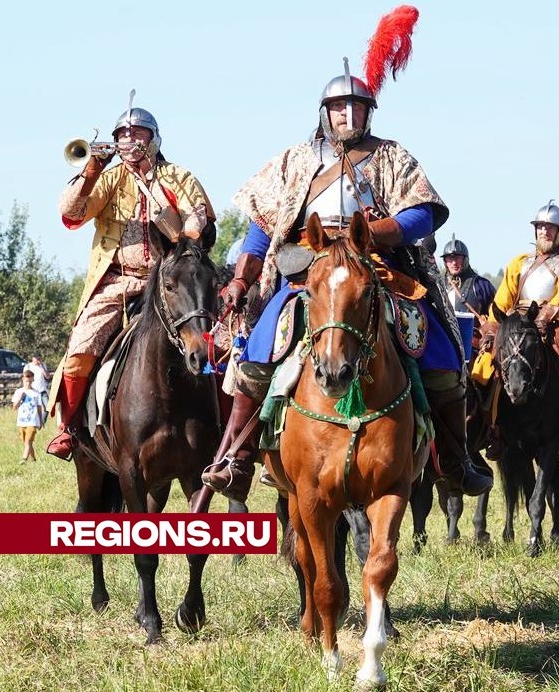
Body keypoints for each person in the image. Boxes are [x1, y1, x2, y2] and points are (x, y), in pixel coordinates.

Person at [201, 27, 493, 503]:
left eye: (355, 107)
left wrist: (378, 232)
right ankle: (236, 455)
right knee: (261, 344)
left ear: (367, 112)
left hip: (375, 267)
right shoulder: (295, 160)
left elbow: (423, 211)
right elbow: (262, 223)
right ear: (325, 112)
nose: (346, 114)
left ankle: (455, 459)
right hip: (310, 268)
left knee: (439, 351)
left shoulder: (390, 155)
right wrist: (241, 276)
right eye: (338, 107)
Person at [46, 98, 216, 460]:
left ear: (153, 138)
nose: (129, 140)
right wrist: (91, 170)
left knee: (221, 344)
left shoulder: (178, 177)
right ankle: (71, 428)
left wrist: (155, 190)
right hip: (116, 282)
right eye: (122, 134)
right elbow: (71, 212)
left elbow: (198, 222)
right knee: (79, 350)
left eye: (137, 133)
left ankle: (229, 436)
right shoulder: (109, 178)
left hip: (172, 281)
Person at [471, 201, 559, 457]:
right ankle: (491, 429)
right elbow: (503, 298)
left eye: (550, 228)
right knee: (483, 366)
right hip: (517, 323)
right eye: (540, 227)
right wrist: (492, 326)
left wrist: (547, 313)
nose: (544, 232)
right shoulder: (519, 262)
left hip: (557, 321)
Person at [441, 234, 497, 354]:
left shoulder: (482, 285)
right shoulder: (438, 285)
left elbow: (497, 315)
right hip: (444, 342)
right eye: (450, 259)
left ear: (465, 259)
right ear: (445, 261)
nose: (454, 263)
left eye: (457, 258)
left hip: (474, 346)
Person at [13, 369, 44, 463]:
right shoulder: (19, 392)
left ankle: (24, 459)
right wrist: (20, 398)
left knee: (28, 441)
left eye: (30, 381)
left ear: (33, 380)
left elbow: (39, 407)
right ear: (23, 380)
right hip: (22, 421)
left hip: (33, 421)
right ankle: (34, 460)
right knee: (26, 442)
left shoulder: (36, 393)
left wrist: (41, 420)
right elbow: (14, 407)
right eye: (27, 381)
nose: (28, 383)